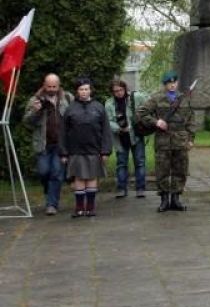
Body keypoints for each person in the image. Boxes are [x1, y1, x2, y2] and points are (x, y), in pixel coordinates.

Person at [137, 71, 195, 212]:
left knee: (180, 170)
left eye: (174, 82)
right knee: (162, 171)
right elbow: (141, 113)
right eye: (169, 83)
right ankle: (164, 200)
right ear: (165, 84)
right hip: (163, 141)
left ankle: (175, 199)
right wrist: (156, 122)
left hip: (180, 141)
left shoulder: (184, 99)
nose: (172, 85)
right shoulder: (156, 98)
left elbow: (191, 120)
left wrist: (191, 138)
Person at [59, 77, 112, 217]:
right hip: (75, 150)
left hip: (94, 149)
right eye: (81, 89)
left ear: (90, 90)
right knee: (79, 178)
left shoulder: (99, 107)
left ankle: (90, 207)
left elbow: (106, 130)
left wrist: (105, 151)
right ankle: (79, 207)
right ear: (77, 91)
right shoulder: (70, 109)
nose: (84, 92)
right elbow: (63, 132)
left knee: (92, 177)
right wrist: (63, 153)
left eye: (86, 89)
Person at [22, 73, 73, 216]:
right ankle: (49, 190)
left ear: (59, 85)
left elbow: (74, 117)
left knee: (56, 174)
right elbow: (26, 122)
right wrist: (36, 111)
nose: (51, 89)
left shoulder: (67, 98)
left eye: (54, 86)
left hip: (60, 144)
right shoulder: (35, 99)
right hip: (43, 144)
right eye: (49, 86)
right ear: (44, 85)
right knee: (43, 172)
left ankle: (52, 204)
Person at [105, 80, 148, 198]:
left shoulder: (136, 97)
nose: (118, 93)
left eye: (120, 90)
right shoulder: (109, 104)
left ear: (125, 89)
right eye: (115, 91)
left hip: (136, 136)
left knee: (140, 162)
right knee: (121, 164)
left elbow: (148, 108)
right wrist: (119, 128)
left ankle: (140, 189)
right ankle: (121, 188)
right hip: (120, 138)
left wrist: (142, 121)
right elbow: (108, 121)